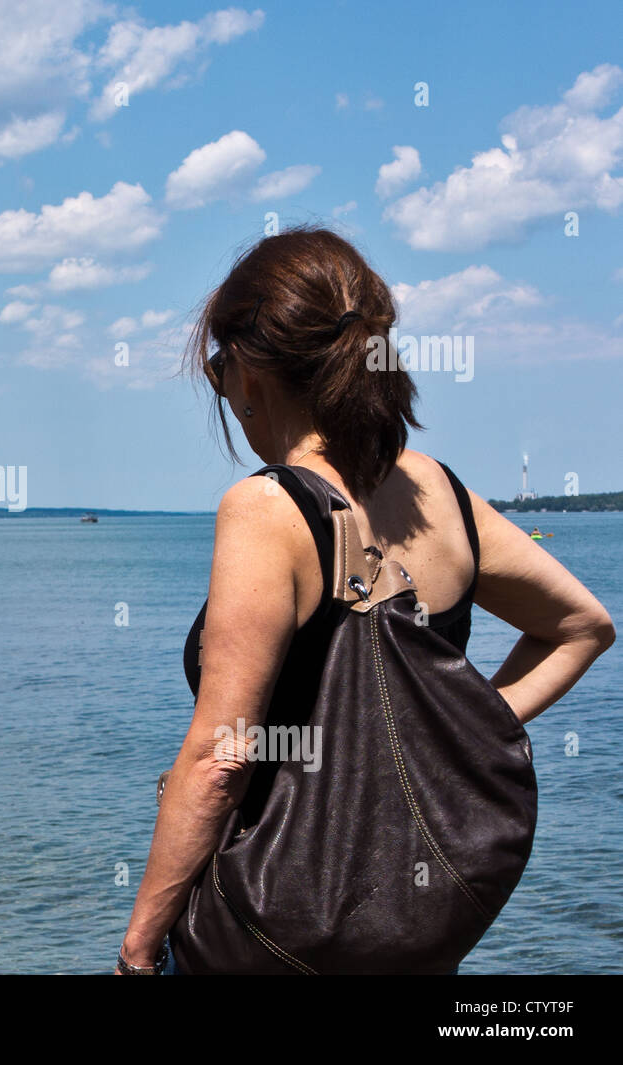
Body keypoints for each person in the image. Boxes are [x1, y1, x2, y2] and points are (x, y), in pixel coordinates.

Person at [116, 226, 614, 975]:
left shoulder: (266, 507)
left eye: (220, 370)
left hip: (273, 942)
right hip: (406, 937)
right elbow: (583, 624)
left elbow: (222, 760)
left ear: (252, 370)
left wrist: (137, 948)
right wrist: (465, 731)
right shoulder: (437, 490)